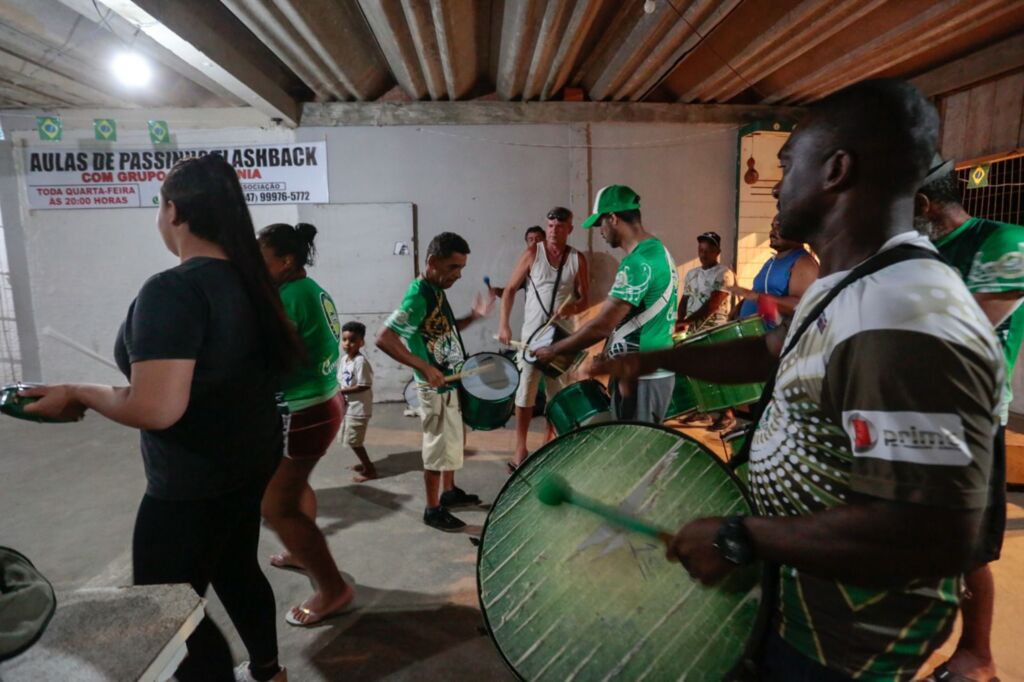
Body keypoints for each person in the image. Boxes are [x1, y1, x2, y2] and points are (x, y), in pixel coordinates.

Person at [593, 79, 1003, 680]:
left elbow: (929, 532)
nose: (776, 185)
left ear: (836, 169)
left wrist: (740, 537)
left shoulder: (906, 314)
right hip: (791, 611)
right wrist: (657, 360)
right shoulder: (848, 285)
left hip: (840, 646)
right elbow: (770, 353)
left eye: (788, 165)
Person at [23, 154, 295, 682]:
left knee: (162, 607)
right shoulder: (251, 285)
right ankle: (269, 672)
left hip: (192, 480)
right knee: (236, 566)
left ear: (173, 211)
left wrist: (80, 391)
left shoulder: (173, 289)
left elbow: (156, 407)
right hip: (249, 460)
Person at [915, 163, 1024, 682]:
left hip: (973, 417)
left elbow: (968, 330)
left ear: (923, 205)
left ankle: (978, 656)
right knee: (937, 539)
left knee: (969, 544)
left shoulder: (1002, 239)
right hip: (928, 413)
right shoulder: (929, 254)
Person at [257, 222, 352, 628]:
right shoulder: (308, 289)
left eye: (261, 259)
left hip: (307, 409)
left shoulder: (290, 297)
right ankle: (301, 553)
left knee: (276, 506)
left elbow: (278, 358)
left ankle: (333, 589)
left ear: (286, 259)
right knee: (294, 487)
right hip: (319, 401)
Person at [376, 232, 494, 532]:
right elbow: (385, 338)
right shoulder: (418, 294)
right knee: (436, 447)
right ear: (432, 262)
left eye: (461, 268)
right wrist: (424, 368)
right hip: (435, 387)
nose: (458, 275)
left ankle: (450, 492)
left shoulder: (436, 290)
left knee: (452, 443)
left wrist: (475, 317)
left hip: (449, 383)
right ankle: (432, 508)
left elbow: (447, 330)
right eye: (453, 267)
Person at [535, 186, 677, 424]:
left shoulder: (637, 263)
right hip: (645, 370)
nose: (600, 231)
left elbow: (602, 325)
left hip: (641, 376)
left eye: (600, 223)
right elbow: (631, 318)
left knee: (634, 452)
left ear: (613, 218)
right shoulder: (658, 250)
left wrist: (555, 349)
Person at [497, 206, 589, 471]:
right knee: (524, 393)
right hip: (532, 338)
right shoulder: (532, 254)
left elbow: (585, 298)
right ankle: (520, 449)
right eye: (549, 226)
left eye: (559, 227)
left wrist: (572, 308)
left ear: (569, 229)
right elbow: (510, 289)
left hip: (561, 338)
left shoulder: (577, 259)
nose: (553, 231)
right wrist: (504, 325)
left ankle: (550, 442)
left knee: (557, 394)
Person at [677, 230, 736, 431]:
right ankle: (703, 410)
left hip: (714, 332)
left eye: (709, 249)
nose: (704, 253)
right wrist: (680, 320)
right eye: (701, 249)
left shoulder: (724, 274)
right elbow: (685, 299)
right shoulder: (692, 273)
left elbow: (713, 303)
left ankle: (727, 414)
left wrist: (687, 321)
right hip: (693, 331)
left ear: (717, 251)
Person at [730, 215, 818, 324]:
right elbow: (761, 292)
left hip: (774, 338)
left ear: (797, 231)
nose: (772, 232)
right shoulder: (771, 261)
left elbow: (801, 305)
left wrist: (757, 297)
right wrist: (740, 306)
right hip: (751, 333)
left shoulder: (803, 263)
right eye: (772, 227)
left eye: (779, 227)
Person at [339, 321, 377, 483]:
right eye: (345, 339)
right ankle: (365, 464)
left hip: (359, 409)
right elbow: (342, 381)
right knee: (351, 438)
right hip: (349, 408)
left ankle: (370, 470)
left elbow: (363, 385)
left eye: (352, 340)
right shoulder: (344, 360)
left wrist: (340, 392)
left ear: (361, 342)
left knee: (355, 441)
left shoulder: (360, 362)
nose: (348, 344)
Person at [486, 225, 546, 298]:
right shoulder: (526, 269)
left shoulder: (557, 262)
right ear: (527, 243)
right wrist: (495, 291)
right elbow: (508, 291)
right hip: (533, 309)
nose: (534, 242)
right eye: (531, 240)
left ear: (545, 241)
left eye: (538, 239)